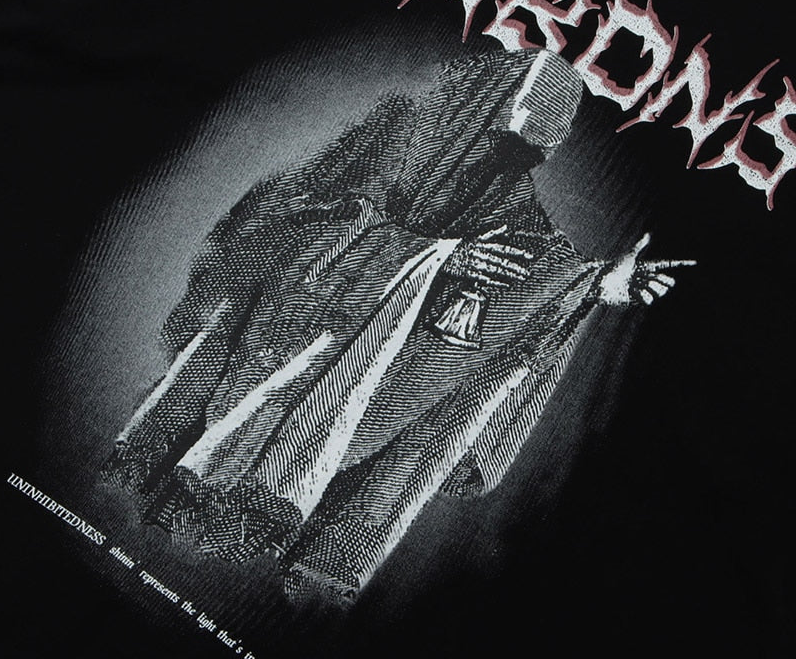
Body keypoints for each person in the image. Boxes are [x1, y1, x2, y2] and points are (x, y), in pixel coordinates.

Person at [102, 48, 694, 602]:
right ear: (477, 108)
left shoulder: (513, 207)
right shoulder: (388, 141)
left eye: (526, 154)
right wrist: (436, 256)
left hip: (350, 387)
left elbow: (544, 269)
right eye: (499, 137)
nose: (504, 163)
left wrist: (597, 284)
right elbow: (303, 215)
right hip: (272, 341)